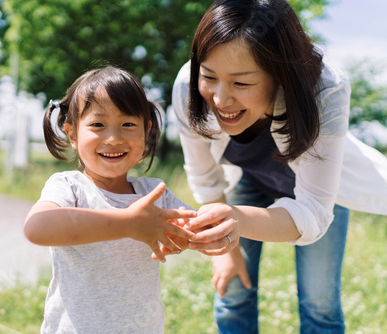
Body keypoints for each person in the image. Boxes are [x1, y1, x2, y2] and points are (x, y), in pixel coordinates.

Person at [171, 0, 387, 333]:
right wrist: (225, 247)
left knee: (320, 302)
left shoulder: (325, 88)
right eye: (209, 77)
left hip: (319, 191)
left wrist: (236, 219)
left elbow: (313, 210)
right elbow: (206, 179)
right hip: (247, 180)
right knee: (231, 288)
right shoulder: (188, 86)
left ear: (281, 76)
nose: (220, 99)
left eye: (241, 84)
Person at [23, 66, 197, 334]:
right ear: (72, 134)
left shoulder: (153, 194)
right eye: (97, 125)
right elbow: (37, 227)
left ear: (146, 131)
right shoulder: (70, 188)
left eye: (128, 124)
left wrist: (205, 230)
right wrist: (128, 223)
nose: (113, 138)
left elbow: (194, 224)